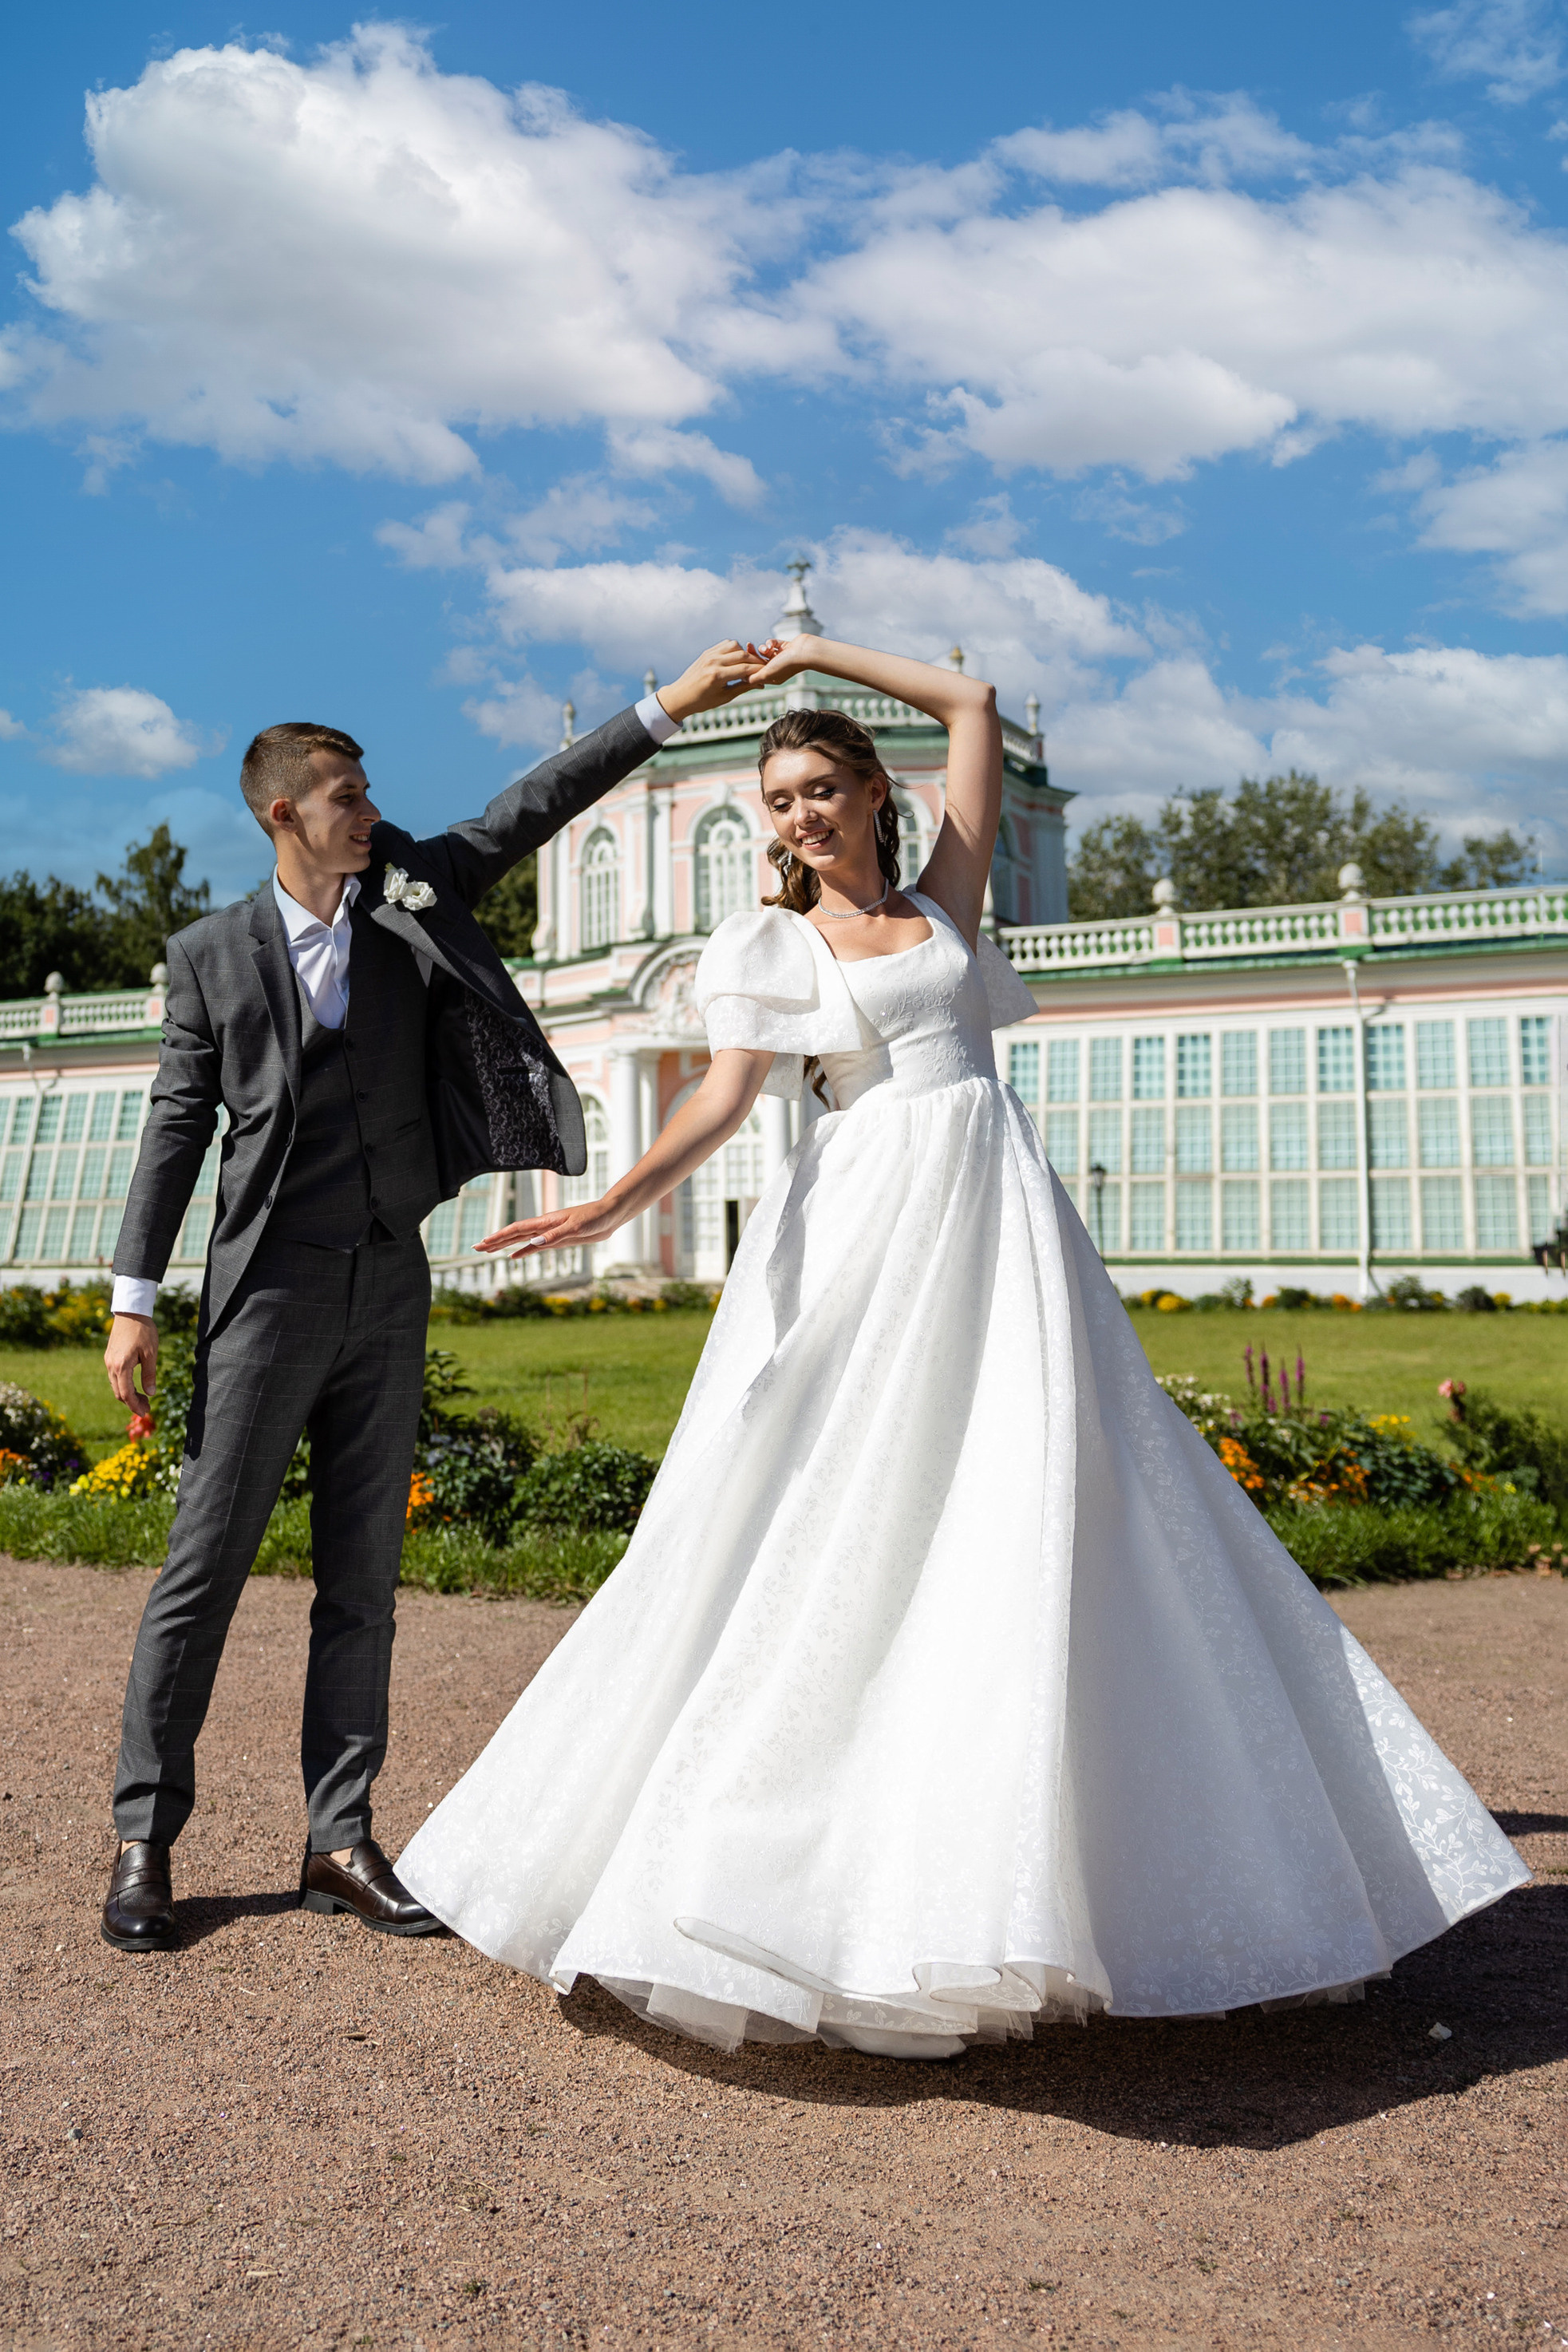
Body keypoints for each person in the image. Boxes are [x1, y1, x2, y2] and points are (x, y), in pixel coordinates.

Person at [397, 633, 1526, 2060]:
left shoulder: (947, 900)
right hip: (871, 1217)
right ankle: (801, 1865)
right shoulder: (771, 941)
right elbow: (727, 1101)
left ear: (876, 791)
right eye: (777, 801)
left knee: (1050, 1488)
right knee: (837, 1500)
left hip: (999, 1217)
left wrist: (807, 649)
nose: (800, 815)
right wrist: (613, 1196)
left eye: (820, 787)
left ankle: (1078, 1868)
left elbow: (973, 704)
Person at [98, 640, 775, 1955]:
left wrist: (670, 705)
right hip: (267, 1292)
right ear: (282, 812)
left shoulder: (412, 896)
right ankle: (144, 1840)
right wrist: (135, 1299)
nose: (372, 809)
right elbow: (174, 1135)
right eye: (347, 794)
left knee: (367, 1575)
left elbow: (534, 804)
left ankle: (338, 1840)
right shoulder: (209, 957)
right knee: (204, 1571)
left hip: (387, 1280)